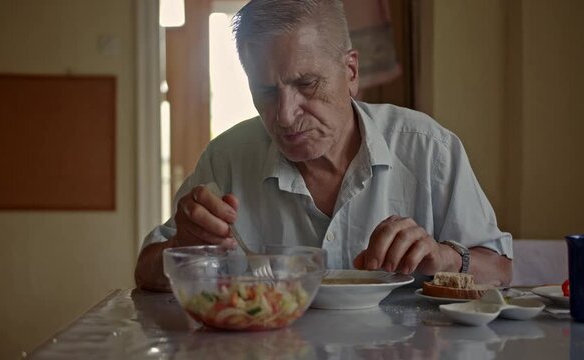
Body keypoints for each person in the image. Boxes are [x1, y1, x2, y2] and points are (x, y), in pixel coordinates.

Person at [135, 0, 512, 292]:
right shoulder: (227, 158)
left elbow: (501, 270)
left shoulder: (429, 149)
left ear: (350, 72)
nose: (284, 115)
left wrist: (446, 259)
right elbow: (146, 272)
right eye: (265, 91)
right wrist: (183, 247)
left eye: (306, 84)